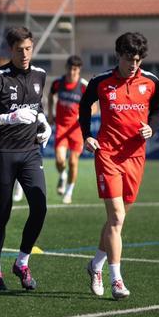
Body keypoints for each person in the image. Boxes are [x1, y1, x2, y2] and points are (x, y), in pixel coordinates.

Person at [79, 33, 159, 300]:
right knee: (116, 218)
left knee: (118, 220)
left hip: (136, 157)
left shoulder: (151, 82)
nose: (133, 65)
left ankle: (95, 266)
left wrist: (153, 127)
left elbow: (158, 110)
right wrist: (87, 135)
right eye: (129, 59)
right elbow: (83, 107)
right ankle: (117, 280)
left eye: (138, 60)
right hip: (108, 155)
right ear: (119, 56)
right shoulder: (101, 82)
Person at [0, 27, 50, 291]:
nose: (25, 54)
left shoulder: (40, 75)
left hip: (30, 152)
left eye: (29, 48)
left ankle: (22, 262)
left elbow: (38, 105)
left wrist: (44, 123)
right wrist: (8, 117)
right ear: (11, 50)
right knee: (2, 214)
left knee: (40, 208)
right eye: (20, 50)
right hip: (3, 153)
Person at [49, 55, 89, 205]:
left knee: (73, 161)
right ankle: (63, 176)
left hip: (76, 129)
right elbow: (51, 95)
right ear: (66, 68)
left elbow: (94, 105)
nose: (72, 72)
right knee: (60, 160)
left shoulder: (84, 86)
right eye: (71, 69)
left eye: (76, 70)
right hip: (61, 126)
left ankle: (69, 191)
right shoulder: (58, 83)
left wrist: (84, 114)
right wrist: (50, 114)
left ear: (79, 70)